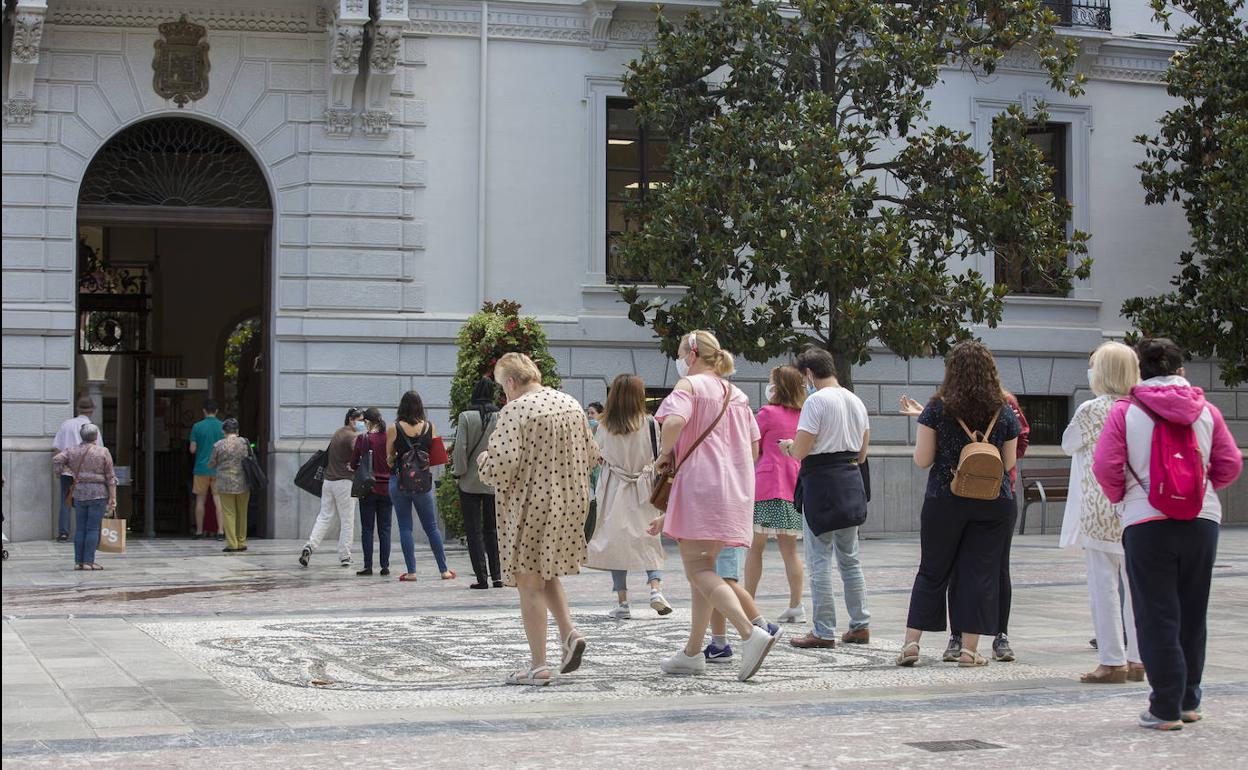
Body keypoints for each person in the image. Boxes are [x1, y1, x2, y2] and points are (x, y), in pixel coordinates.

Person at [1093, 338, 1242, 731]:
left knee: (1156, 613)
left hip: (1146, 521)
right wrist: (1199, 490)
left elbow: (1105, 466)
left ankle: (1165, 707)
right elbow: (1229, 463)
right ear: (1181, 371)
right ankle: (1189, 701)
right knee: (1193, 612)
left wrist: (1124, 498)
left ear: (1140, 372)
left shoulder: (1126, 410)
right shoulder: (1206, 410)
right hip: (1202, 520)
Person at [650, 331, 779, 682]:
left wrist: (664, 454)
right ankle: (693, 652)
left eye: (680, 354)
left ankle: (749, 633)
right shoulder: (736, 394)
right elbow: (754, 448)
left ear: (692, 355)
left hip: (700, 485)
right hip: (734, 489)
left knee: (698, 569)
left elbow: (673, 421)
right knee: (704, 571)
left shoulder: (689, 386)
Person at [477, 353, 600, 685]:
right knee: (546, 572)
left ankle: (538, 666)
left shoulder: (515, 410)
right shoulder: (571, 404)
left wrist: (484, 461)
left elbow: (502, 467)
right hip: (571, 503)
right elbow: (592, 455)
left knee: (528, 583)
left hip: (532, 506)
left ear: (511, 382)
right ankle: (569, 633)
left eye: (503, 387)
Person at [896, 341, 1020, 668]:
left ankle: (911, 644)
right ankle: (969, 650)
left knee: (932, 570)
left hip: (944, 498)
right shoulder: (1004, 410)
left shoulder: (936, 409)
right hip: (993, 501)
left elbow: (923, 460)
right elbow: (1008, 463)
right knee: (979, 573)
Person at [1059, 342, 1143, 684]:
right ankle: (1138, 658)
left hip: (1099, 505)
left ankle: (1112, 660)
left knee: (1103, 586)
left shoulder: (1092, 409)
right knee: (1137, 588)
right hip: (1136, 506)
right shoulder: (1141, 407)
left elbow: (1068, 443)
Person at [780, 347, 872, 649]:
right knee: (850, 559)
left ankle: (823, 630)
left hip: (821, 483)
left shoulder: (816, 401)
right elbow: (863, 452)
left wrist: (789, 447)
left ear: (808, 373)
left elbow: (801, 450)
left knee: (819, 559)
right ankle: (860, 625)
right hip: (851, 481)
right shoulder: (855, 400)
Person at [585, 374, 672, 619]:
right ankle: (655, 590)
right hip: (644, 488)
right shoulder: (650, 423)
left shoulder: (604, 425)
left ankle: (622, 602)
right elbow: (660, 455)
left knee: (617, 543)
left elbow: (596, 456)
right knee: (649, 538)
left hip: (614, 488)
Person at [387, 390, 455, 582]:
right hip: (423, 483)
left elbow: (389, 460)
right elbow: (435, 455)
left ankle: (411, 572)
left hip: (400, 482)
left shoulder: (394, 428)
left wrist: (397, 457)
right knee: (431, 527)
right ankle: (444, 570)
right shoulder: (429, 427)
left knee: (405, 527)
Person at [453, 378, 503, 589]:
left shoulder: (466, 416)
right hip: (493, 481)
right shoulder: (500, 416)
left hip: (469, 481)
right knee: (493, 530)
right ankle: (498, 576)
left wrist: (459, 473)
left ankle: (481, 578)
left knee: (473, 531)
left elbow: (460, 448)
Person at [299, 408, 363, 569]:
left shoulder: (338, 433)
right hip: (344, 483)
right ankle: (345, 555)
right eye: (360, 420)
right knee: (347, 520)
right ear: (351, 420)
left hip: (328, 482)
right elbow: (359, 453)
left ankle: (309, 546)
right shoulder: (352, 436)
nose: (363, 423)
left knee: (324, 517)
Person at [52, 423, 116, 570]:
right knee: (93, 528)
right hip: (98, 493)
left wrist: (63, 471)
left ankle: (78, 562)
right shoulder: (103, 451)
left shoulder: (72, 450)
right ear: (96, 436)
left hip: (79, 492)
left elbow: (57, 459)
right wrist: (113, 497)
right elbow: (110, 476)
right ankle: (88, 561)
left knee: (80, 528)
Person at [51, 396, 101, 542]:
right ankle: (83, 531)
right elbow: (99, 451)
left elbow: (57, 449)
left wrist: (59, 469)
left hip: (68, 470)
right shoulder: (93, 428)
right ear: (91, 410)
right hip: (87, 472)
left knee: (65, 500)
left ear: (78, 409)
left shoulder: (66, 424)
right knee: (85, 501)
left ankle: (63, 533)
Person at [351, 407, 393, 576]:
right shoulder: (389, 437)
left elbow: (354, 463)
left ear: (367, 422)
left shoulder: (363, 439)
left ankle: (368, 566)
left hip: (368, 488)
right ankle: (385, 566)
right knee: (385, 529)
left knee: (367, 529)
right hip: (387, 488)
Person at [208, 419, 251, 553]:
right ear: (237, 430)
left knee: (228, 513)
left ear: (224, 431)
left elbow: (211, 463)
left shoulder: (218, 445)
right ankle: (241, 542)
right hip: (243, 481)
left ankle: (232, 544)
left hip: (225, 483)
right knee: (242, 512)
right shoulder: (244, 442)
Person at [188, 400, 225, 541]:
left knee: (200, 500)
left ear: (203, 411)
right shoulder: (222, 426)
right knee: (218, 500)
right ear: (216, 411)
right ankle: (220, 531)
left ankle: (199, 531)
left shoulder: (197, 427)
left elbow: (192, 449)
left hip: (201, 468)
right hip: (218, 469)